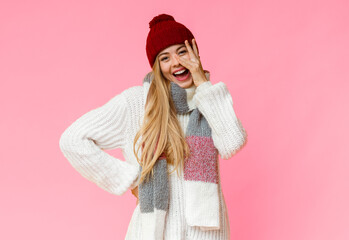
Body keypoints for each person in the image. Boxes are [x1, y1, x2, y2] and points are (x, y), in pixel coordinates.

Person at [59, 13, 247, 240]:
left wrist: (203, 84)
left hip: (207, 235)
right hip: (152, 233)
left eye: (182, 51)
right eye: (165, 58)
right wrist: (130, 180)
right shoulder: (137, 103)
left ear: (195, 53)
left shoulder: (208, 100)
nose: (176, 62)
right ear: (156, 66)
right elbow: (72, 140)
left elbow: (232, 143)